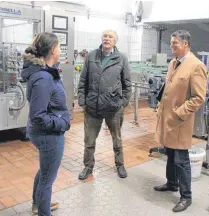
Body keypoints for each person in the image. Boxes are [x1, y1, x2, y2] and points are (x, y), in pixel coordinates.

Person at [154, 30, 207, 212]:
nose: (171, 46)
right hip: (168, 118)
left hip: (179, 121)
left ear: (185, 44)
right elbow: (168, 87)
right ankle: (171, 183)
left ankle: (186, 196)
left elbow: (199, 98)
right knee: (169, 153)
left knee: (181, 159)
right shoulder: (173, 63)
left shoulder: (196, 66)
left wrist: (178, 113)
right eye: (172, 43)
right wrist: (161, 106)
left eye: (175, 43)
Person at [21, 32, 71, 215]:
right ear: (52, 49)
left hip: (43, 131)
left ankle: (38, 203)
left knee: (45, 170)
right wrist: (62, 123)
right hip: (48, 134)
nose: (60, 49)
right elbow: (38, 116)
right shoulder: (43, 77)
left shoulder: (46, 71)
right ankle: (43, 211)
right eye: (59, 46)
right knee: (48, 178)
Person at [77, 29, 132, 180]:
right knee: (89, 141)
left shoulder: (121, 58)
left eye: (110, 37)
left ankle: (120, 165)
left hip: (114, 108)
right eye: (105, 36)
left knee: (117, 139)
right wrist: (83, 102)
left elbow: (127, 83)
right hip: (92, 107)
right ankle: (88, 166)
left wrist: (123, 103)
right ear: (101, 38)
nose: (107, 39)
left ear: (115, 41)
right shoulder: (92, 56)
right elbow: (83, 81)